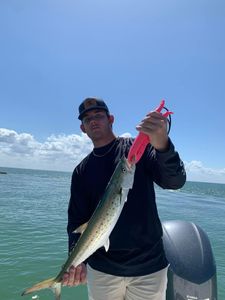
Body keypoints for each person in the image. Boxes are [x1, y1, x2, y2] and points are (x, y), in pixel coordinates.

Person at [62, 97, 186, 300]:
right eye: (87, 119)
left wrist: (162, 144)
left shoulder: (136, 150)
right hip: (102, 270)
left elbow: (175, 181)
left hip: (149, 269)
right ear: (83, 128)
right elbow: (76, 220)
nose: (93, 121)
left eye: (99, 115)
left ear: (111, 119)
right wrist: (76, 260)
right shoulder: (81, 172)